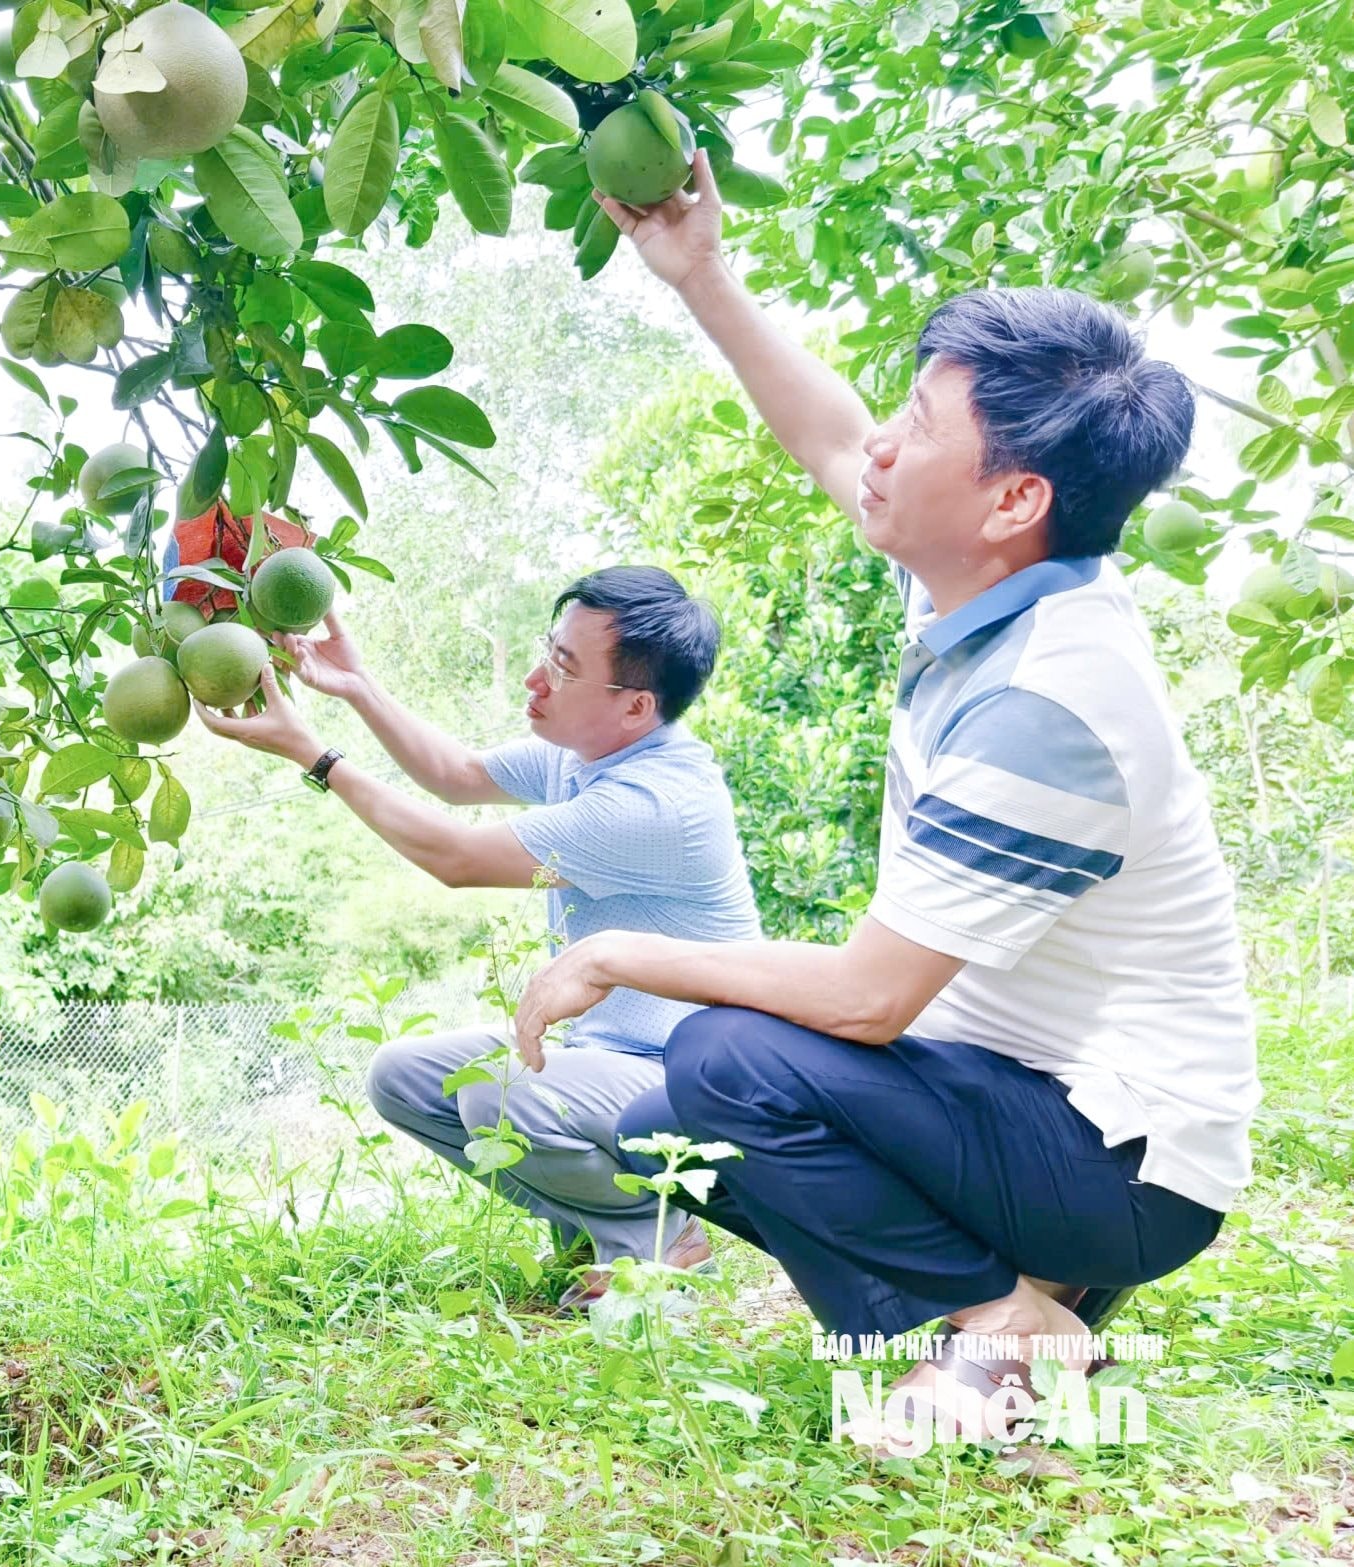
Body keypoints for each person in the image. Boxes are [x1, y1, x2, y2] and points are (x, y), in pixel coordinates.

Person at [512, 152, 1259, 1433]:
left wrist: (626, 951)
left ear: (1014, 498)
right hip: (1027, 1097)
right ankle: (1029, 1286)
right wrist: (700, 271)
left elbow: (867, 997)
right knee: (663, 1125)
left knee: (726, 1059)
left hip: (1130, 1162)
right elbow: (828, 434)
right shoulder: (993, 582)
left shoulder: (1048, 698)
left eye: (922, 425)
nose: (883, 445)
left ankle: (1010, 1326)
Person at [196, 566, 760, 1295]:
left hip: (690, 1083)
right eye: (546, 649)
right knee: (404, 1078)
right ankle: (604, 1229)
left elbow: (456, 858)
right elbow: (457, 774)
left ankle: (658, 1239)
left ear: (636, 706)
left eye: (563, 667)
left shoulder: (657, 805)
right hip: (611, 1069)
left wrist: (315, 756)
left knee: (496, 1097)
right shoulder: (587, 752)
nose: (534, 678)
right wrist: (359, 686)